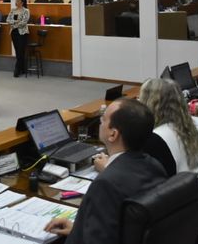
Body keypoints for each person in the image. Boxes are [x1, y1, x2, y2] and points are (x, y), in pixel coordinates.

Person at [45, 98, 167, 244]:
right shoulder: (155, 165)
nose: (100, 122)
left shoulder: (106, 184)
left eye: (103, 119)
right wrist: (78, 229)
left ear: (113, 135)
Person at [136, 77, 198, 176]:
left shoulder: (155, 138)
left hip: (178, 184)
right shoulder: (186, 127)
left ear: (148, 103)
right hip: (194, 182)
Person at [5, 0, 29, 77]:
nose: (16, 2)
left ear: (22, 2)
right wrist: (15, 22)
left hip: (22, 33)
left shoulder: (26, 11)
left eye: (18, 1)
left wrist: (14, 24)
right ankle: (22, 68)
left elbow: (24, 22)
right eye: (16, 1)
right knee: (17, 50)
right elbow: (8, 20)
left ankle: (17, 69)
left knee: (20, 51)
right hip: (14, 32)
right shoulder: (13, 10)